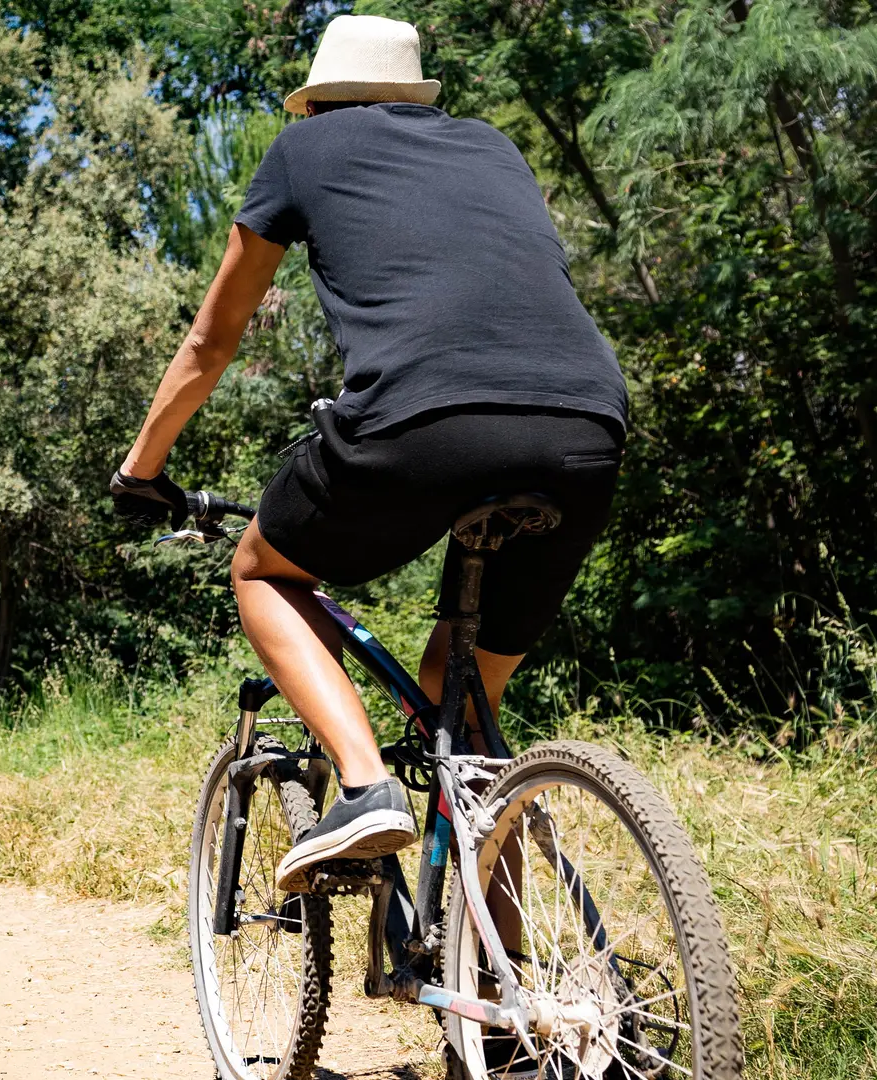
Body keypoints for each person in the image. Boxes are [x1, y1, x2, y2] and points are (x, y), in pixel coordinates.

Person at [111, 15, 626, 891]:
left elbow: (211, 339)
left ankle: (362, 784)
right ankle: (500, 1013)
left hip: (423, 419)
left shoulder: (303, 151)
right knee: (460, 713)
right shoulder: (493, 149)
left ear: (318, 104)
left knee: (261, 571)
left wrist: (141, 469)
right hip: (586, 426)